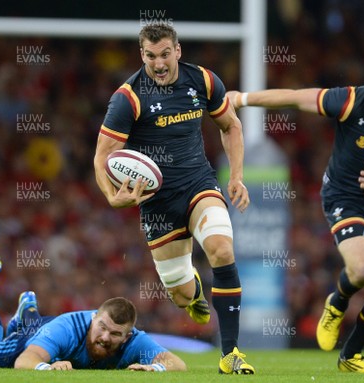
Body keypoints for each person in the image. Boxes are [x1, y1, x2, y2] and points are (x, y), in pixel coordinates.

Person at [227, 42, 364, 374]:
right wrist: (242, 99)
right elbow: (296, 97)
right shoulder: (352, 100)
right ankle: (336, 303)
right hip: (344, 196)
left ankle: (350, 355)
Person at [93, 24, 254, 374]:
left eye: (165, 53)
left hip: (199, 184)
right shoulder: (128, 97)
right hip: (157, 204)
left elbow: (231, 126)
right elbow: (103, 155)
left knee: (222, 250)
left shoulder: (204, 81)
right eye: (151, 56)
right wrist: (112, 196)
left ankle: (230, 354)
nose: (159, 63)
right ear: (142, 55)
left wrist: (237, 176)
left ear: (177, 51)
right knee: (181, 297)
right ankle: (193, 291)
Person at [0, 251, 186, 371]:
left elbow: (177, 363)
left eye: (115, 334)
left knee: (38, 330)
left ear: (127, 336)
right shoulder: (68, 328)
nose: (106, 337)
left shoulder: (134, 341)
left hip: (48, 331)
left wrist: (154, 368)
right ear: (93, 318)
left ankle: (27, 314)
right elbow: (25, 361)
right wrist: (46, 368)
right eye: (102, 328)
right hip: (40, 336)